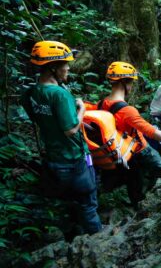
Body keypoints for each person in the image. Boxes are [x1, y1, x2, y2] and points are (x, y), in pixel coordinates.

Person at [22, 40, 102, 234]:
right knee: (88, 203)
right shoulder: (59, 95)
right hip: (73, 158)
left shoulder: (31, 92)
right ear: (53, 67)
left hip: (53, 157)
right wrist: (81, 108)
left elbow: (37, 117)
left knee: (69, 203)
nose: (68, 68)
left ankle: (74, 236)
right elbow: (70, 129)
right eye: (65, 64)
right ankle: (99, 239)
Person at [93, 61, 161, 208]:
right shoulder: (127, 110)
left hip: (121, 151)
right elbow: (151, 131)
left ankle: (138, 206)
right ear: (125, 82)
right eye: (131, 82)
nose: (131, 86)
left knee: (133, 180)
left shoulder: (101, 104)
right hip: (140, 148)